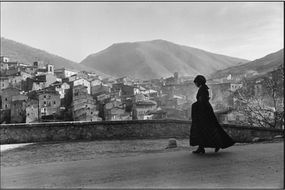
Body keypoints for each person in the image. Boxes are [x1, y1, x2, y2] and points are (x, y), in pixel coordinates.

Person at [190, 75, 235, 154]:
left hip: (204, 112)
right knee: (204, 129)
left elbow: (203, 101)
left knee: (207, 129)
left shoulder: (203, 89)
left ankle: (215, 144)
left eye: (196, 82)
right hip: (204, 111)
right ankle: (201, 147)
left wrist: (195, 105)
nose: (195, 84)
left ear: (198, 82)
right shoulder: (203, 88)